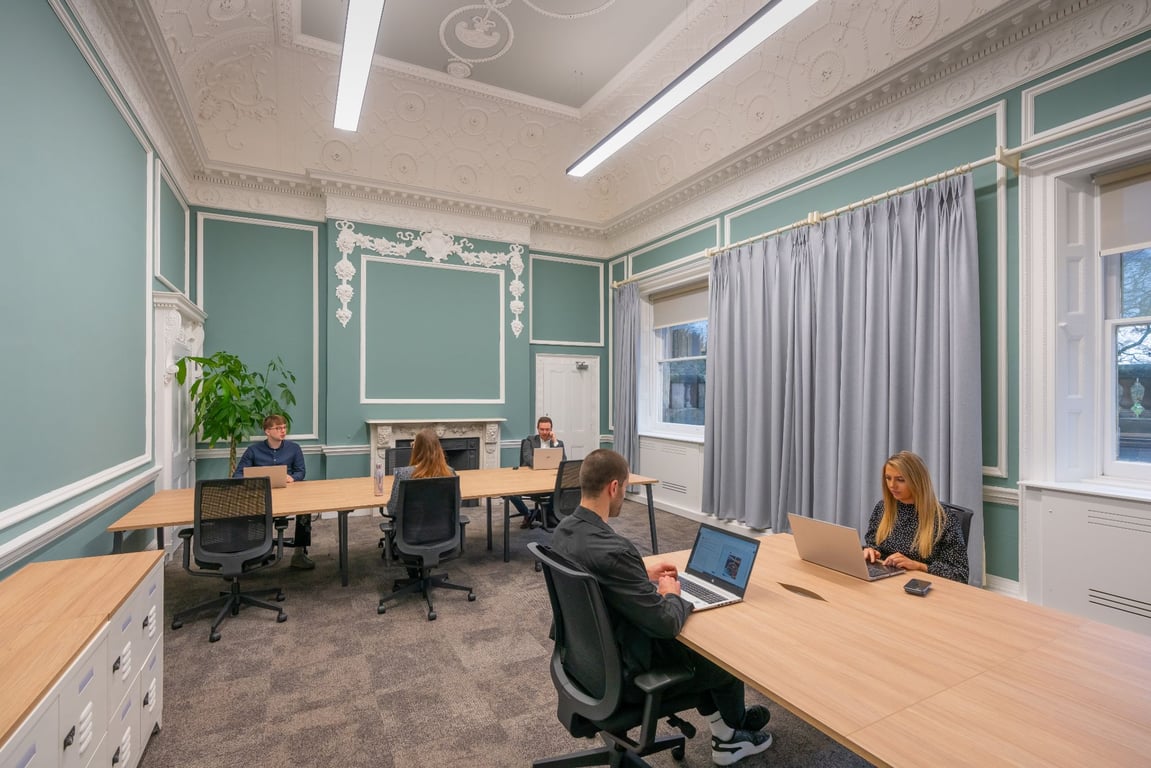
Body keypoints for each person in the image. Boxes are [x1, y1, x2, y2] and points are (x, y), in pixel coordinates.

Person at [550, 449, 773, 767]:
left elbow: (597, 571)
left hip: (583, 662)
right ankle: (732, 731)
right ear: (614, 487)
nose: (623, 496)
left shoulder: (565, 531)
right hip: (625, 677)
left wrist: (640, 573)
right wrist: (671, 593)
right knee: (721, 659)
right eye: (625, 488)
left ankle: (726, 731)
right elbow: (666, 623)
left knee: (701, 650)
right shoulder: (615, 550)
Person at [863, 450, 969, 583]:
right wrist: (871, 551)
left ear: (917, 481)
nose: (892, 485)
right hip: (886, 582)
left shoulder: (944, 520)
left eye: (900, 480)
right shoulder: (883, 508)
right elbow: (873, 544)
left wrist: (919, 566)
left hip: (921, 587)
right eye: (888, 478)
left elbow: (960, 574)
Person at [232, 414, 311, 570]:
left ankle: (299, 553)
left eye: (284, 427)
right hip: (260, 496)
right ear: (267, 431)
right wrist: (254, 479)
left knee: (305, 510)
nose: (283, 431)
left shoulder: (294, 448)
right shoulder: (253, 450)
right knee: (244, 510)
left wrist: (292, 478)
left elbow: (301, 472)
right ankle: (251, 554)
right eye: (278, 428)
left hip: (287, 494)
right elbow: (238, 475)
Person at [508, 416, 566, 528]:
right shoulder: (530, 440)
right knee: (510, 493)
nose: (544, 432)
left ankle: (548, 515)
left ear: (551, 429)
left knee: (561, 488)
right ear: (537, 429)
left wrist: (554, 442)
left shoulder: (558, 443)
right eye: (542, 429)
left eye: (547, 429)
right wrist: (543, 464)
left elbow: (563, 461)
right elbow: (527, 458)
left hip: (550, 479)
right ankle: (527, 513)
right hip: (530, 478)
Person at [385, 427, 457, 516]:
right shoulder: (450, 473)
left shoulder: (403, 474)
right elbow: (457, 505)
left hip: (411, 529)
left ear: (416, 450)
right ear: (439, 449)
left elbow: (393, 510)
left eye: (413, 445)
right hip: (443, 529)